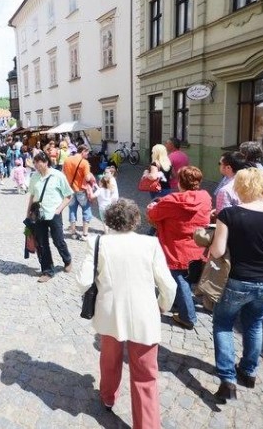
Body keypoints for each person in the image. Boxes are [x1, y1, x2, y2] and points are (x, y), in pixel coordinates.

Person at [76, 199, 176, 427]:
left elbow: (83, 282)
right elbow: (169, 286)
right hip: (144, 315)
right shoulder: (150, 244)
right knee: (145, 375)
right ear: (136, 220)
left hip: (110, 314)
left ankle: (108, 397)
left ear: (109, 220)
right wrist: (162, 305)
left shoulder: (98, 242)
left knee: (109, 360)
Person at [209, 167, 263, 403]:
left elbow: (217, 251)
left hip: (238, 279)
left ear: (241, 187)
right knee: (255, 324)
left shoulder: (229, 214)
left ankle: (227, 379)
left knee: (224, 324)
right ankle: (248, 372)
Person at [147, 166, 212, 330]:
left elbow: (154, 215)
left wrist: (152, 208)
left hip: (176, 246)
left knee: (179, 278)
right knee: (188, 277)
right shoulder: (205, 197)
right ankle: (179, 303)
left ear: (180, 182)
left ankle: (188, 316)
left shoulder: (172, 200)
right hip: (197, 246)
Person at [26, 151, 73, 283]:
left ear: (46, 162)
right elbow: (31, 196)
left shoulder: (58, 176)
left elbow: (68, 195)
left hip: (54, 214)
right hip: (39, 215)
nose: (35, 165)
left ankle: (67, 259)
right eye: (34, 162)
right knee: (42, 243)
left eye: (37, 162)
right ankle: (47, 270)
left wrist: (58, 210)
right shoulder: (34, 176)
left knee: (58, 241)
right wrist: (28, 214)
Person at [63, 144, 94, 240]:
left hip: (70, 190)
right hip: (81, 190)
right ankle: (85, 234)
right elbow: (88, 178)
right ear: (83, 151)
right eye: (87, 152)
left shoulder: (67, 160)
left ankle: (73, 233)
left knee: (72, 210)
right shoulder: (84, 162)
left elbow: (63, 174)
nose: (88, 155)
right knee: (86, 209)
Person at [213, 151, 249, 216]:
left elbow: (223, 217)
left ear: (228, 168)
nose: (219, 165)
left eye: (220, 163)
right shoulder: (250, 183)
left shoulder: (225, 191)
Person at [92, 168, 119, 233]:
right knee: (109, 218)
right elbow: (111, 191)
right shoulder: (109, 188)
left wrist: (90, 191)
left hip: (103, 207)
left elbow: (93, 196)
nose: (105, 174)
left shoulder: (100, 190)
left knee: (104, 221)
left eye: (106, 172)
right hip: (109, 205)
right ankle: (110, 230)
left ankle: (106, 232)